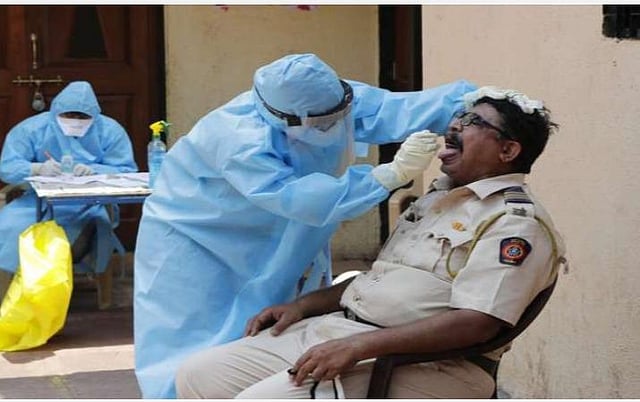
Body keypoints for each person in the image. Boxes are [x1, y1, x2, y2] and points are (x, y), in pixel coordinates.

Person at [174, 86, 566, 399]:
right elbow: (380, 278)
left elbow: (477, 323)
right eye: (460, 116)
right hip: (345, 332)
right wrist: (303, 306)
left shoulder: (515, 224)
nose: (455, 125)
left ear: (508, 150)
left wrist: (361, 346)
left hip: (429, 364)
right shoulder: (437, 197)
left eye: (473, 121)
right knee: (198, 375)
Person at [134, 53, 477, 398]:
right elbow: (295, 197)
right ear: (285, 118)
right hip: (195, 241)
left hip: (275, 230)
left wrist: (470, 100)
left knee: (262, 324)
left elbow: (392, 109)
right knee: (193, 342)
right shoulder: (239, 140)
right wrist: (389, 176)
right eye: (323, 122)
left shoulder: (329, 99)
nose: (337, 125)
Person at [0, 81, 138, 299]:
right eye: (69, 115)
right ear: (56, 111)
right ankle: (12, 292)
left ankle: (58, 288)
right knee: (9, 226)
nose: (75, 122)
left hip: (90, 204)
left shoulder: (110, 131)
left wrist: (95, 171)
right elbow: (8, 167)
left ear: (94, 115)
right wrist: (37, 168)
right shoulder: (32, 129)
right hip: (34, 202)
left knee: (71, 237)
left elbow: (126, 170)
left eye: (82, 117)